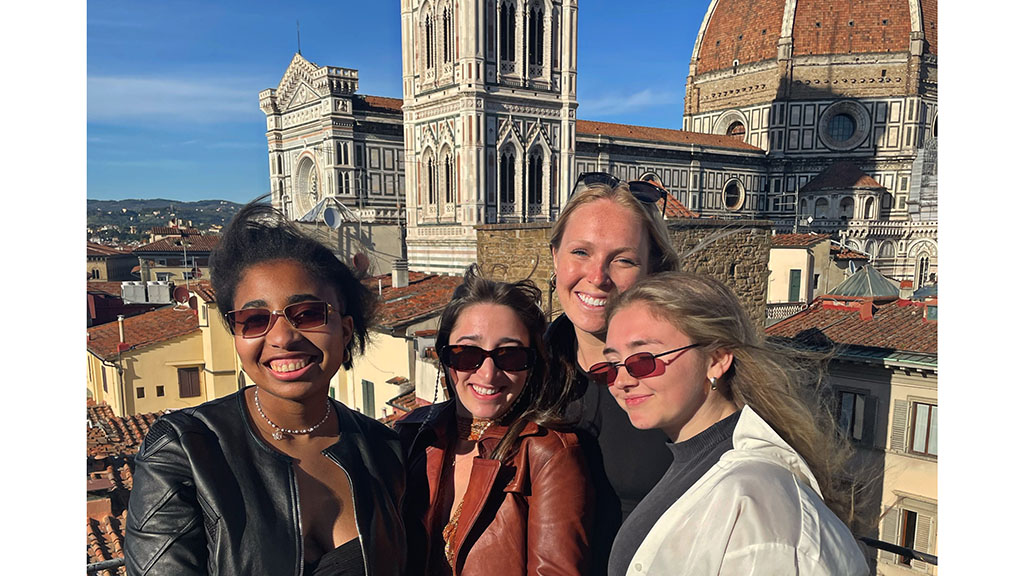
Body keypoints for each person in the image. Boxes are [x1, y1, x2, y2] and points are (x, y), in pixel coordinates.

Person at [124, 202, 406, 576]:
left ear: (346, 330)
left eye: (307, 313)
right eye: (255, 319)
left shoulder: (384, 451)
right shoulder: (185, 450)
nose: (282, 337)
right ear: (237, 336)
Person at [591, 271, 869, 575]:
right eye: (611, 365)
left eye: (643, 360)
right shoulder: (696, 465)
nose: (621, 381)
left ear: (717, 359)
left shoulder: (760, 506)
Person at [396, 265, 593, 575]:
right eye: (467, 354)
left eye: (510, 356)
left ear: (532, 364)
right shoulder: (413, 435)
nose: (488, 374)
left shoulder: (548, 455)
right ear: (445, 356)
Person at [546, 172, 681, 572]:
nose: (597, 277)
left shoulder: (681, 378)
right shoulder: (524, 371)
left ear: (652, 270)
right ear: (555, 256)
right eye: (580, 252)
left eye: (622, 259)